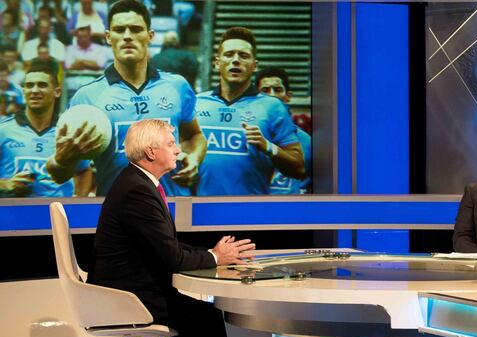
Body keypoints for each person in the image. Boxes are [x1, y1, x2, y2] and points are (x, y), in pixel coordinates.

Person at [90, 118, 254, 337]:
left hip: (134, 286)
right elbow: (170, 257)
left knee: (206, 317)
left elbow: (165, 246)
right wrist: (216, 258)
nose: (178, 150)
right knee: (203, 322)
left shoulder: (138, 183)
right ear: (151, 152)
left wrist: (213, 255)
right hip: (126, 294)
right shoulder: (136, 190)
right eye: (170, 143)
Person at [46, 0, 205, 197]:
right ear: (108, 37)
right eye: (119, 30)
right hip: (118, 215)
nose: (127, 36)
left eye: (136, 29)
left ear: (150, 36)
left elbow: (194, 136)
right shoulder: (86, 97)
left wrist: (195, 159)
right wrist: (62, 160)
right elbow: (61, 175)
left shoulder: (177, 86)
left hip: (171, 210)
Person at [194, 27, 303, 196]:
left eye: (243, 56)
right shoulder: (197, 103)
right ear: (217, 63)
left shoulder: (272, 107)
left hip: (250, 213)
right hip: (201, 210)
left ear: (254, 66)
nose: (236, 60)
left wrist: (269, 147)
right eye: (229, 54)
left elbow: (299, 168)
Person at [0, 60, 90, 196]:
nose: (35, 90)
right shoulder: (3, 130)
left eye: (42, 85)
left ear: (57, 92)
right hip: (14, 213)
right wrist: (5, 184)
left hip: (56, 214)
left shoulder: (69, 132)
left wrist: (76, 205)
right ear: (23, 91)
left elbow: (84, 171)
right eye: (29, 86)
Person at [255, 65, 311, 194]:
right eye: (265, 90)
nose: (272, 96)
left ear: (288, 96)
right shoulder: (247, 135)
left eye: (278, 89)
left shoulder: (307, 142)